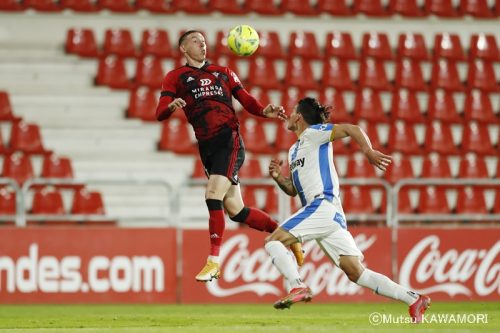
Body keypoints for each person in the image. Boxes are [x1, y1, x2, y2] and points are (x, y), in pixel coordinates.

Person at [265, 97, 431, 323]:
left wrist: (369, 151)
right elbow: (293, 190)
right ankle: (413, 299)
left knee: (273, 242)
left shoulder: (316, 133)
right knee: (356, 273)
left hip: (322, 205)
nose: (289, 114)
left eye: (293, 110)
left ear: (298, 117)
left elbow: (352, 129)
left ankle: (297, 286)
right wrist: (278, 178)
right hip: (325, 213)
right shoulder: (294, 150)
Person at [155, 30, 303, 282]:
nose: (202, 44)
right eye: (195, 41)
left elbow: (246, 101)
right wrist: (171, 106)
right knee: (236, 210)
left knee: (212, 194)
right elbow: (159, 113)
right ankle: (286, 234)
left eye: (204, 40)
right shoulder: (175, 77)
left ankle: (213, 262)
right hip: (207, 147)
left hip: (229, 140)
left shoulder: (223, 72)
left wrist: (264, 111)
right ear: (182, 48)